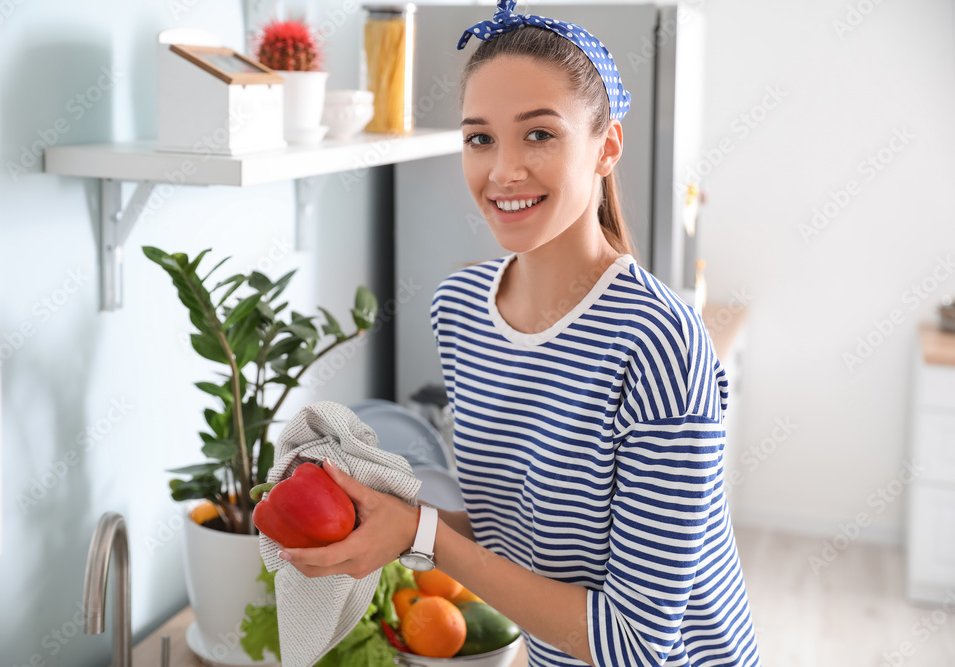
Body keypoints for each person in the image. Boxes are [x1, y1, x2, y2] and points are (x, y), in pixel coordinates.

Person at [278, 2, 761, 665]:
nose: (503, 170)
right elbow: (515, 532)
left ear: (606, 147)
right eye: (480, 138)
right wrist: (381, 515)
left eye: (539, 134)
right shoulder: (461, 312)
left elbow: (637, 642)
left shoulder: (658, 340)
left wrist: (427, 533)